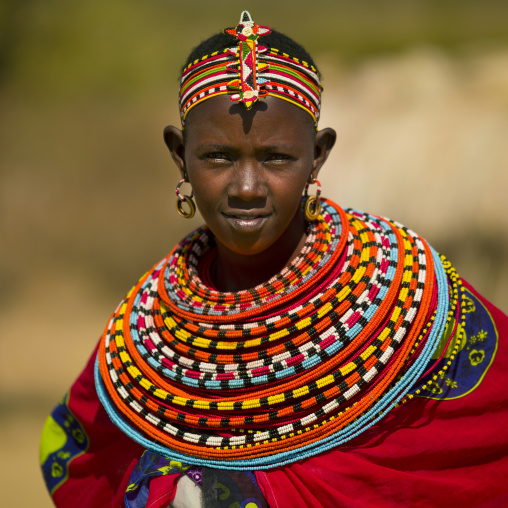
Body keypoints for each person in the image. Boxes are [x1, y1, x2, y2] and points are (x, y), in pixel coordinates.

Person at [40, 11, 508, 508]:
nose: (246, 188)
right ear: (180, 155)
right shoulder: (148, 324)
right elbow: (76, 452)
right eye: (218, 156)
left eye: (276, 158)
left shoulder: (402, 288)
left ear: (318, 155)